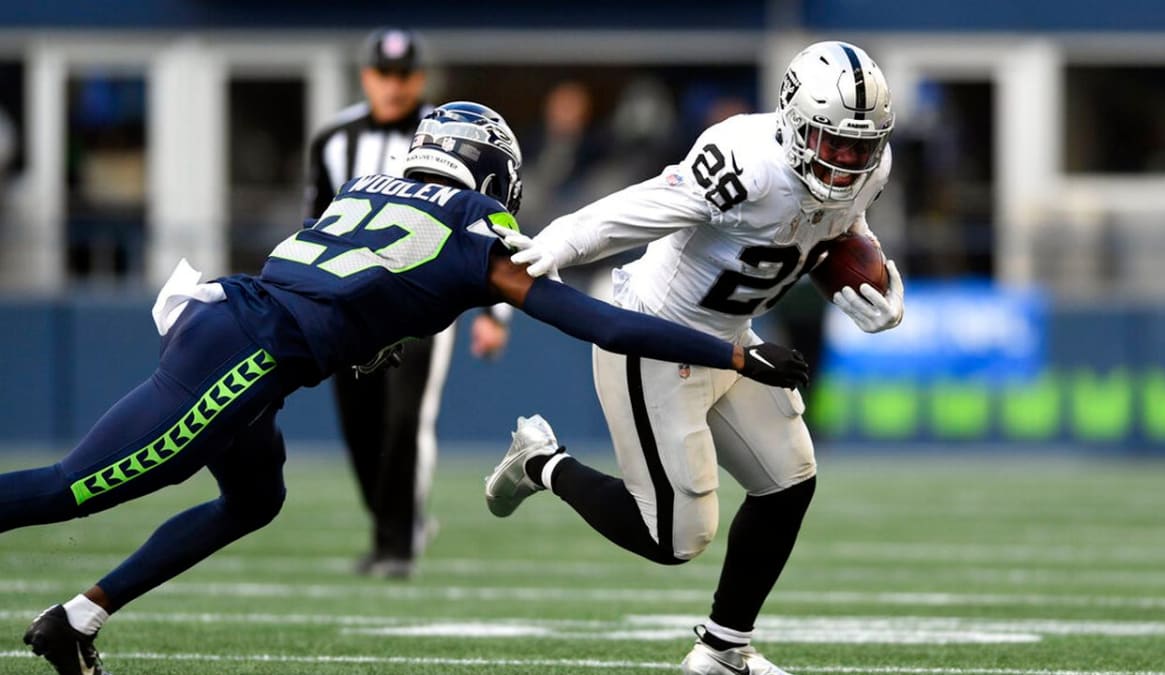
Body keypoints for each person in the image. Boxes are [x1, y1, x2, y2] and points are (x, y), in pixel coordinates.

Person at [6, 100, 809, 675]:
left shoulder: (362, 190)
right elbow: (605, 324)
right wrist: (735, 359)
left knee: (254, 500)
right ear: (493, 173)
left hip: (231, 318)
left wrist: (370, 335)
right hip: (243, 357)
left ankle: (75, 620)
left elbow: (334, 279)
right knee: (72, 488)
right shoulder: (474, 231)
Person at [483, 41, 905, 675]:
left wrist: (878, 283)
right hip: (655, 334)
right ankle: (542, 462)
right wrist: (558, 245)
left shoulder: (871, 166)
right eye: (832, 143)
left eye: (859, 146)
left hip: (734, 337)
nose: (847, 160)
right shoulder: (744, 161)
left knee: (789, 479)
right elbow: (636, 209)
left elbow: (840, 225)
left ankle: (723, 649)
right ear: (793, 121)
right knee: (676, 537)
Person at [306, 27, 510, 577]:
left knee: (405, 418)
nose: (394, 86)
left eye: (404, 75)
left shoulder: (455, 134)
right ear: (366, 77)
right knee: (359, 422)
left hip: (424, 300)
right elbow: (316, 224)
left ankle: (397, 544)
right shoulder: (333, 140)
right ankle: (393, 524)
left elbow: (496, 220)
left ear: (420, 78)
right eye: (383, 74)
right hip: (349, 298)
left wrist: (495, 311)